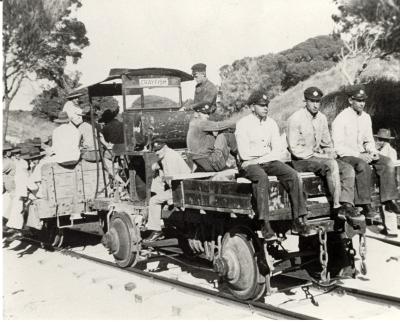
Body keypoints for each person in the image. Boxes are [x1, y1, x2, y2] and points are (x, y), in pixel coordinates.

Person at [235, 90, 312, 239]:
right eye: (262, 105)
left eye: (267, 105)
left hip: (263, 161)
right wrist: (262, 157)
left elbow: (278, 150)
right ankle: (265, 223)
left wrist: (259, 158)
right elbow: (244, 154)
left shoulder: (271, 123)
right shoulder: (243, 124)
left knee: (293, 175)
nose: (265, 108)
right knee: (261, 178)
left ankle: (298, 219)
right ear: (252, 107)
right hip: (248, 165)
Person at [287, 87, 358, 220]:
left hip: (318, 158)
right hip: (301, 160)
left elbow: (327, 143)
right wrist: (320, 155)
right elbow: (295, 149)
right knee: (331, 165)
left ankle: (347, 205)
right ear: (305, 101)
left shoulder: (322, 118)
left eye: (318, 101)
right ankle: (337, 205)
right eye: (312, 101)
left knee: (347, 168)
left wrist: (330, 152)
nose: (315, 105)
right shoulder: (295, 119)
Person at [332, 85, 400, 221]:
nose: (362, 104)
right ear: (351, 101)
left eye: (363, 101)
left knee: (387, 162)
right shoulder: (341, 119)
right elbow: (338, 147)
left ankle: (389, 200)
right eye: (358, 100)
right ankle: (365, 204)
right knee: (362, 165)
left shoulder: (366, 118)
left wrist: (372, 151)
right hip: (346, 155)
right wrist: (359, 155)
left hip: (363, 153)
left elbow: (368, 140)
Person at [144, 141, 191, 242]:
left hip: (179, 189)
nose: (156, 153)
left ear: (165, 147)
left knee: (153, 200)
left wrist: (170, 198)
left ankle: (156, 230)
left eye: (158, 150)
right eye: (155, 151)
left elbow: (172, 178)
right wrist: (157, 166)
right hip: (181, 187)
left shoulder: (170, 158)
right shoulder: (169, 154)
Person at [186, 101, 239, 172]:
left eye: (208, 114)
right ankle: (240, 159)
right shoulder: (199, 123)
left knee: (221, 134)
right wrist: (237, 122)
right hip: (209, 161)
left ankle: (238, 157)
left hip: (201, 160)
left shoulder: (193, 124)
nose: (207, 116)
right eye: (204, 113)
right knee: (226, 135)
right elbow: (218, 126)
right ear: (196, 114)